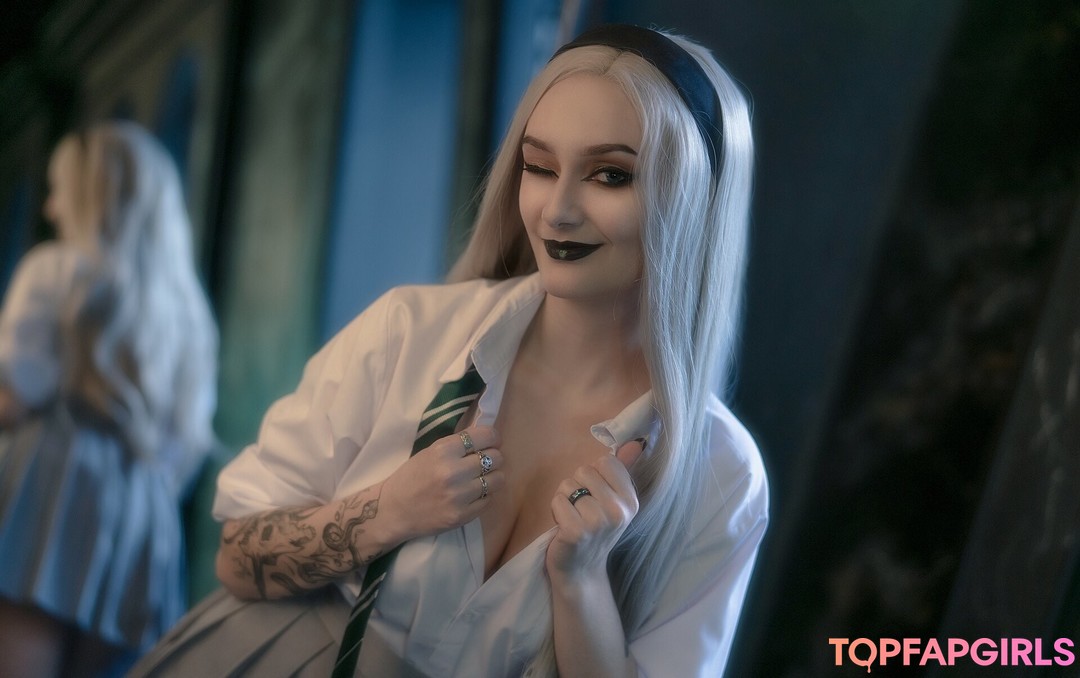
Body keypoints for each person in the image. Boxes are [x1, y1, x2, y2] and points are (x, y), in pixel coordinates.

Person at [133, 23, 767, 677]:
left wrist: (581, 584)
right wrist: (386, 511)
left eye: (610, 175)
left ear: (696, 201)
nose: (557, 211)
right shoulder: (408, 332)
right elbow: (236, 555)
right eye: (539, 167)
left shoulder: (723, 477)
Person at [0, 121, 219, 677]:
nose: (50, 208)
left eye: (59, 191)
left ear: (89, 198)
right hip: (146, 512)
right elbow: (186, 447)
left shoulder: (54, 269)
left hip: (50, 480)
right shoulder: (189, 313)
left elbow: (12, 398)